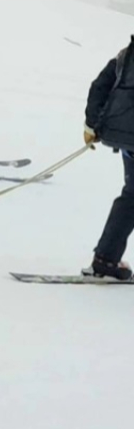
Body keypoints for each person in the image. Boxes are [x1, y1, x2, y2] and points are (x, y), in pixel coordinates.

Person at [83, 38, 134, 280]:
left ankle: (105, 258)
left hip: (127, 138)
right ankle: (106, 259)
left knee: (132, 197)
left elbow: (100, 85)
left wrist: (91, 125)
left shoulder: (128, 55)